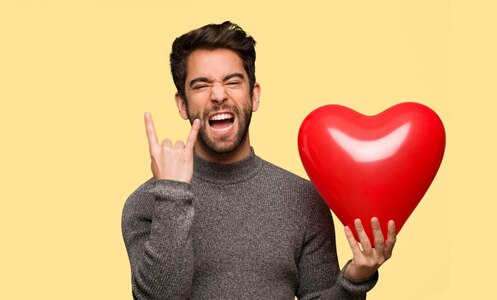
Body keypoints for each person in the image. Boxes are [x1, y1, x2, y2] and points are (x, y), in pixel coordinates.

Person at [122, 21, 397, 300]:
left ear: (254, 96)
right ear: (182, 104)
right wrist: (172, 195)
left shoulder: (303, 199)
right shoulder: (147, 203)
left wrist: (354, 280)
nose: (218, 95)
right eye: (201, 85)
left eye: (232, 81)